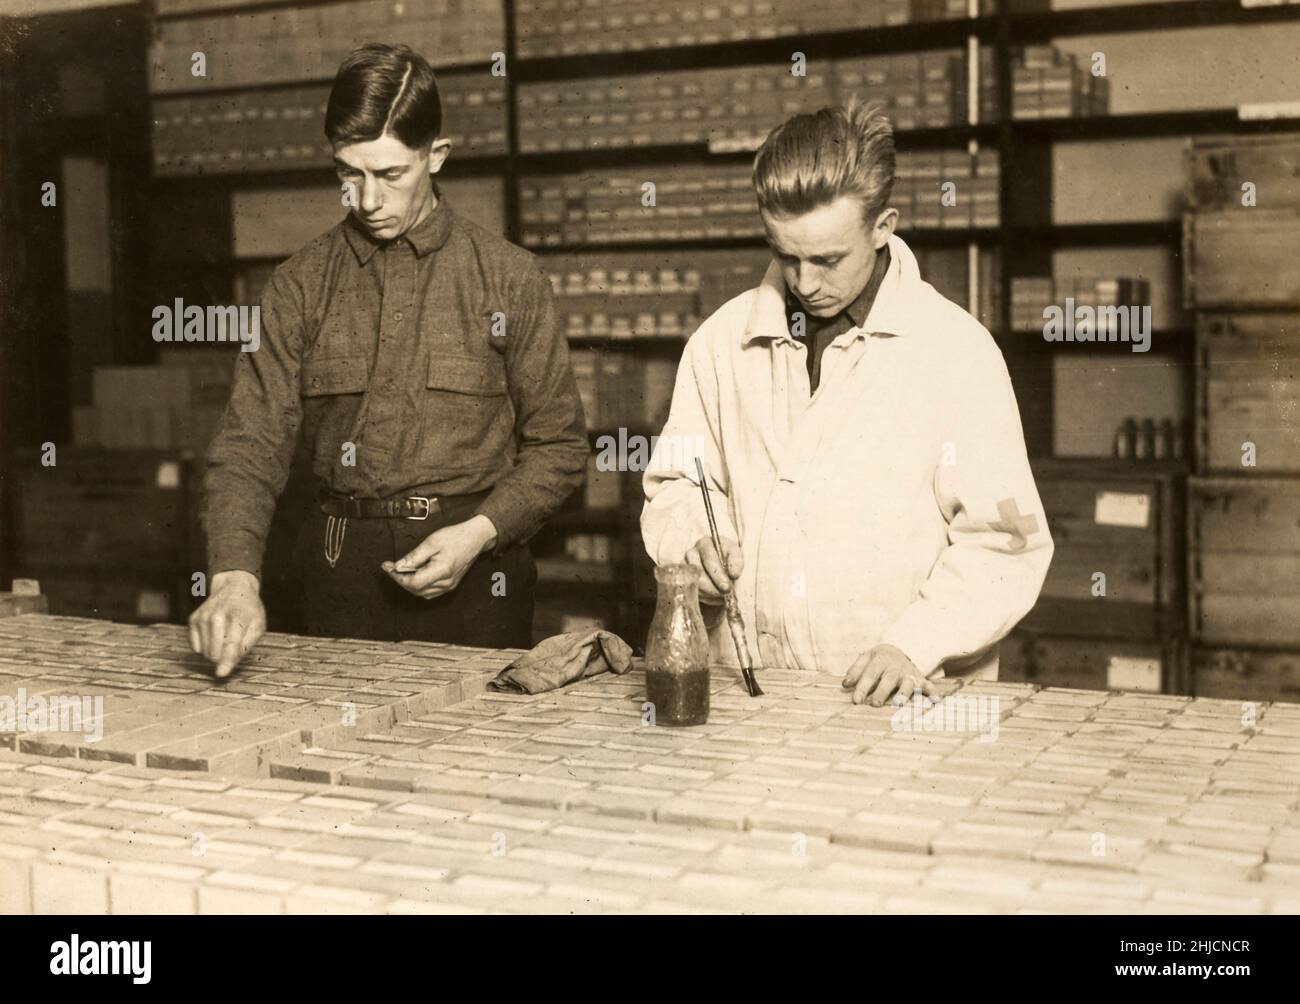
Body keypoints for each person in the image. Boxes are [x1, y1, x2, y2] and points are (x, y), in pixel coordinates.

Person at [191, 43, 589, 677]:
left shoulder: (511, 279)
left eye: (391, 174)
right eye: (348, 174)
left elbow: (560, 447)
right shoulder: (299, 285)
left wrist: (481, 532)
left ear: (437, 156)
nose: (367, 199)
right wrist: (234, 576)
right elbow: (248, 445)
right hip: (335, 576)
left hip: (477, 577)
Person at [641, 101, 1053, 706]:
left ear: (883, 226)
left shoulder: (956, 352)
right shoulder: (720, 344)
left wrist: (913, 643)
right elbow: (678, 483)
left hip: (899, 693)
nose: (806, 283)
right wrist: (693, 543)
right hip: (748, 690)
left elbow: (1006, 542)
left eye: (828, 260)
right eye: (787, 256)